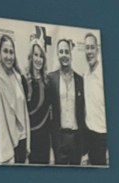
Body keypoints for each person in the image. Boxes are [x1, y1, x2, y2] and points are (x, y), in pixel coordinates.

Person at [0, 34, 29, 165]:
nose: (9, 56)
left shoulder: (18, 77)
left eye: (11, 52)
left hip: (22, 138)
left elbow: (23, 111)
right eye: (5, 51)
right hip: (8, 141)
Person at [48, 37, 85, 165]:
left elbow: (84, 112)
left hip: (76, 139)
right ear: (58, 54)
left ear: (71, 53)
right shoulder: (51, 79)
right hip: (59, 139)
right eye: (61, 52)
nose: (64, 55)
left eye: (66, 51)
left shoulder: (80, 80)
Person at [24, 40, 53, 165]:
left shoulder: (48, 82)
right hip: (29, 139)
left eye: (41, 56)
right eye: (36, 55)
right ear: (31, 57)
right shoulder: (23, 81)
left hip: (44, 139)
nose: (38, 59)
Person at [83, 32, 107, 166]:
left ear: (97, 49)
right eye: (87, 48)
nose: (89, 51)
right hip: (89, 135)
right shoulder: (85, 76)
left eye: (92, 47)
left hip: (102, 137)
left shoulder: (104, 75)